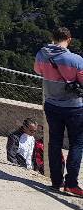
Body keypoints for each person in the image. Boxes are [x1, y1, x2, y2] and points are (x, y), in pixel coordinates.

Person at [34, 26, 83, 197]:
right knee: (76, 143)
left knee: (54, 142)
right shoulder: (76, 59)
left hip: (51, 105)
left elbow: (37, 71)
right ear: (69, 39)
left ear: (53, 38)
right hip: (74, 107)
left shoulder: (42, 54)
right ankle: (71, 184)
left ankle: (56, 182)